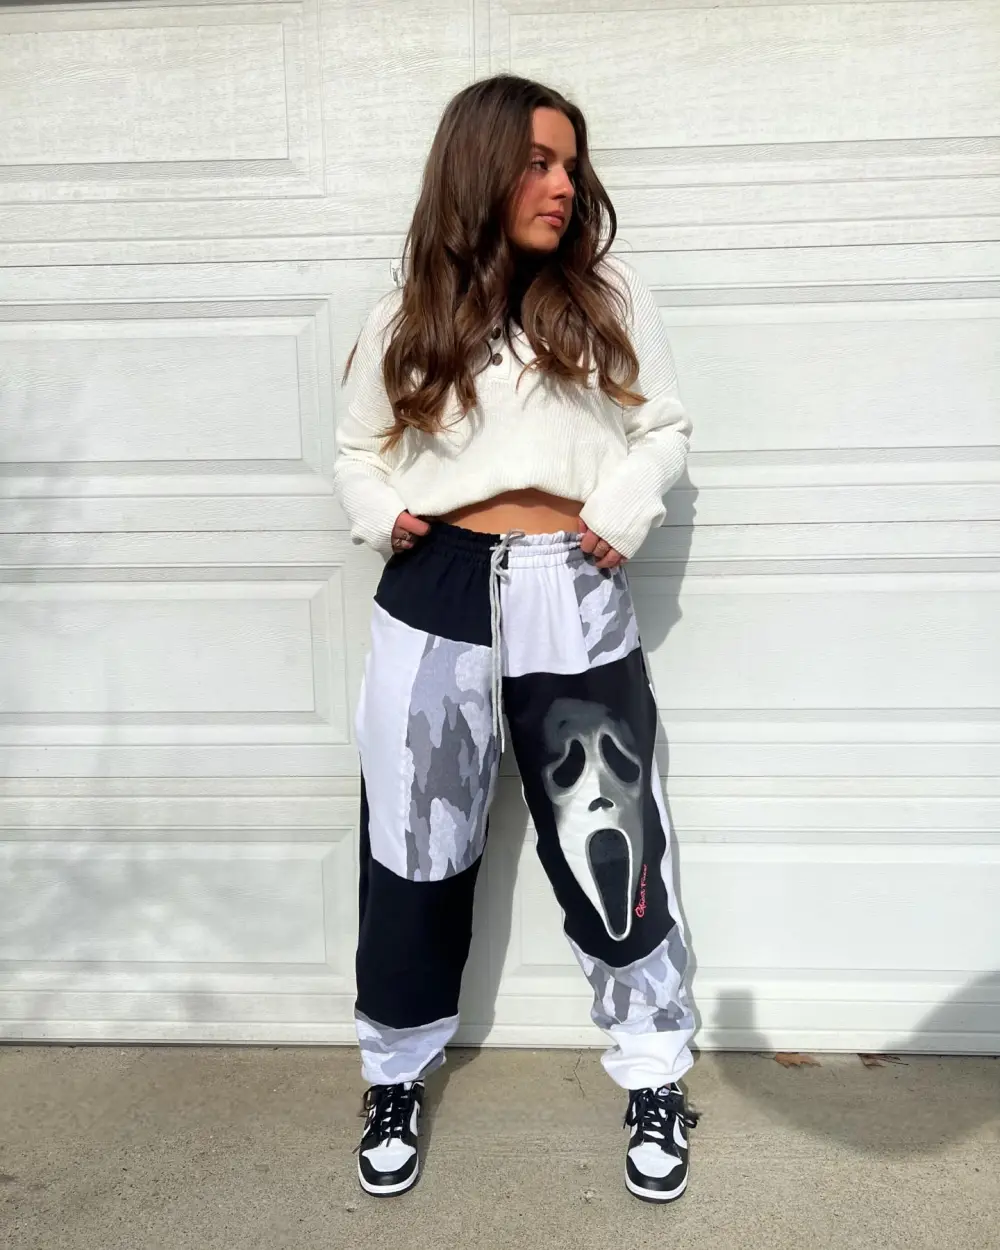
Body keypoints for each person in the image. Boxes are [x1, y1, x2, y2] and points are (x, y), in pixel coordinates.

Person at [334, 74, 698, 1205]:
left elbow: (663, 427)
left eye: (570, 165)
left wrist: (619, 510)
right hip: (435, 587)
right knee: (413, 842)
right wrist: (377, 510)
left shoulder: (606, 296)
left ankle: (654, 1073)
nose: (561, 185)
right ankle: (393, 1071)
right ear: (479, 167)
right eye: (537, 162)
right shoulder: (406, 314)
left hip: (571, 585)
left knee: (611, 838)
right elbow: (355, 448)